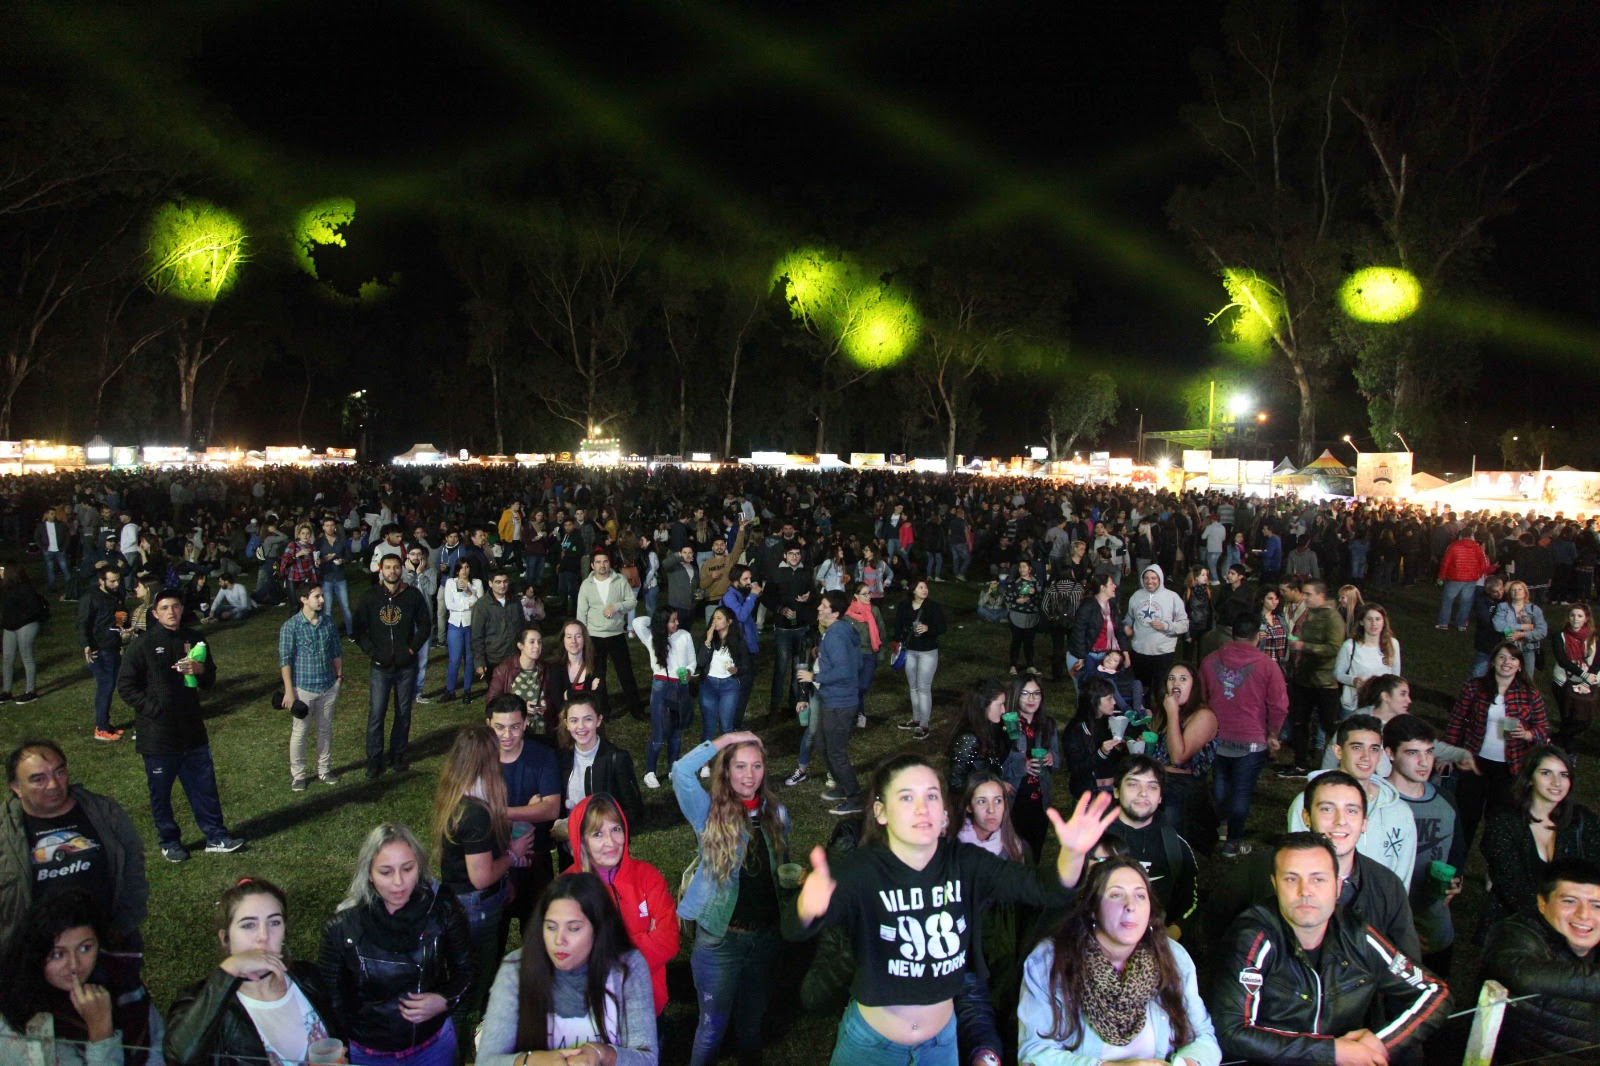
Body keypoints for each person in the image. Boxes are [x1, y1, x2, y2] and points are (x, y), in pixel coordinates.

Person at [783, 756, 1120, 1066]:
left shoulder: (966, 864)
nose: (921, 808)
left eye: (931, 796)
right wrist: (806, 908)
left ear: (945, 812)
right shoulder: (862, 871)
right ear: (880, 812)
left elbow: (1045, 889)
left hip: (940, 1046)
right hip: (871, 1046)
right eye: (906, 797)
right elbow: (793, 930)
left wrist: (1073, 854)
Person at [1208, 832, 1449, 1066]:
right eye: (1291, 879)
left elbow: (1434, 992)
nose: (1305, 891)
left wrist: (1381, 1044)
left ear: (1337, 886)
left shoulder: (1357, 935)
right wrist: (1331, 1052)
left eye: (1318, 879)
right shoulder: (1252, 936)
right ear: (1274, 884)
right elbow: (1232, 1031)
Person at [1016, 857, 1220, 1066]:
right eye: (1116, 895)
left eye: (1140, 895)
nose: (1131, 905)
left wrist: (1181, 1064)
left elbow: (1204, 1038)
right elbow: (1033, 1054)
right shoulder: (1050, 960)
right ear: (1093, 909)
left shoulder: (1173, 956)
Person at [1207, 772, 1421, 960]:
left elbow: (1407, 961)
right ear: (1306, 817)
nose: (1340, 821)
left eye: (1352, 811)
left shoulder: (1385, 884)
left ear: (1364, 823)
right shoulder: (1259, 870)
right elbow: (1213, 931)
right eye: (1327, 809)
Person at [672, 731, 790, 1066]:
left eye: (756, 766)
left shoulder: (777, 814)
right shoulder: (707, 811)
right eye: (739, 766)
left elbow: (781, 866)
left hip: (764, 938)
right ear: (726, 770)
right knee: (712, 1028)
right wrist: (729, 738)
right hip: (721, 940)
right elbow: (680, 771)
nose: (749, 775)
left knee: (752, 1025)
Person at [319, 823, 474, 1066]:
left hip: (433, 1046)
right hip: (368, 1054)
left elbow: (467, 970)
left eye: (407, 869)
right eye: (386, 872)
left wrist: (444, 999)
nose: (399, 882)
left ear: (419, 867)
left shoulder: (444, 910)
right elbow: (332, 1001)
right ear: (369, 873)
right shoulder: (342, 928)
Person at [475, 872, 660, 1066]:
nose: (559, 940)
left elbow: (647, 1059)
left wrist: (602, 1054)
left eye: (573, 928)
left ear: (598, 929)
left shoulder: (627, 966)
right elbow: (486, 1061)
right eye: (551, 927)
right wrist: (531, 1061)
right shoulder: (515, 969)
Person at [117, 587, 244, 862]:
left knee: (205, 786)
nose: (171, 612)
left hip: (192, 730)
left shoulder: (195, 638)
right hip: (159, 737)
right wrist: (154, 709)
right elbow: (126, 686)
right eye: (164, 608)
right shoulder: (143, 645)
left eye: (175, 606)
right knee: (161, 793)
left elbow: (209, 680)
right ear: (154, 613)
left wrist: (200, 671)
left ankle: (216, 836)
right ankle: (169, 841)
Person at [1, 739, 148, 967]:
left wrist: (122, 925)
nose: (53, 785)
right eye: (38, 779)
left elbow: (133, 867)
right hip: (34, 958)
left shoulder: (103, 812)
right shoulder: (5, 834)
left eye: (59, 773)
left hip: (107, 946)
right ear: (16, 787)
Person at [164, 876, 339, 1066]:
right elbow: (180, 1058)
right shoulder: (200, 1000)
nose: (263, 936)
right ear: (225, 939)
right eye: (248, 925)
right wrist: (232, 968)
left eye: (274, 922)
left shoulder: (308, 978)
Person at [432, 725, 523, 1045]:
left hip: (465, 901)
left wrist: (504, 881)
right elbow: (481, 875)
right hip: (476, 908)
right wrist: (513, 854)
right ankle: (454, 1050)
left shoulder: (459, 794)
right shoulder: (474, 813)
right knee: (470, 987)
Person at [0, 890, 163, 1066]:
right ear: (36, 955)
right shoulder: (20, 1016)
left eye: (85, 948)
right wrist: (100, 1031)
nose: (74, 966)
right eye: (57, 954)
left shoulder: (122, 982)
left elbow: (157, 1044)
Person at [561, 794, 678, 1014]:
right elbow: (567, 957)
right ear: (581, 840)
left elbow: (669, 940)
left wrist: (600, 951)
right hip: (593, 1009)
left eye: (616, 829)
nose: (611, 842)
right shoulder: (567, 889)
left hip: (647, 1002)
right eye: (597, 834)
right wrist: (644, 942)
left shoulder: (648, 877)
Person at [1480, 857, 1600, 1063]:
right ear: (1542, 903)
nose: (1584, 915)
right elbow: (1524, 976)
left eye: (1597, 905)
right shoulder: (1516, 932)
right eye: (1570, 901)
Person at [1444, 641, 1552, 852]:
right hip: (1474, 763)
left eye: (1513, 658)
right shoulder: (1474, 687)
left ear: (1520, 665)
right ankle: (1457, 867)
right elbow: (1457, 720)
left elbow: (1544, 729)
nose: (1506, 662)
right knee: (1466, 817)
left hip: (1509, 768)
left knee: (1499, 822)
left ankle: (1494, 870)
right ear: (1493, 661)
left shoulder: (1530, 694)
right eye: (1502, 657)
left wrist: (1529, 734)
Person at [1286, 715, 1417, 887]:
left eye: (1374, 749)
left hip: (1379, 908)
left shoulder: (1400, 812)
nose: (1366, 757)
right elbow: (1299, 860)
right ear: (1338, 751)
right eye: (1357, 747)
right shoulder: (1307, 803)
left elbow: (1402, 876)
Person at [1480, 744, 1600, 933]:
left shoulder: (1583, 822)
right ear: (1529, 779)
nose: (1556, 782)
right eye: (1546, 773)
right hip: (1516, 931)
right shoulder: (1504, 824)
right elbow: (1513, 887)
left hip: (1573, 928)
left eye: (1564, 775)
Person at [1382, 715, 1467, 975]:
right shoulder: (1377, 803)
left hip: (1437, 932)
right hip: (1387, 934)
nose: (1424, 762)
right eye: (1413, 753)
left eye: (1429, 752)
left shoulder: (1445, 800)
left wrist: (1455, 883)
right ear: (1391, 753)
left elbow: (1456, 857)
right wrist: (1397, 934)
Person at [1200, 614, 1289, 857]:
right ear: (1257, 637)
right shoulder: (1267, 666)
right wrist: (1273, 733)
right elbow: (1279, 705)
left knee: (1220, 782)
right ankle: (1233, 842)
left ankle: (1222, 823)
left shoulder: (1210, 661)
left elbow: (1203, 695)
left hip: (1217, 737)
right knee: (1241, 790)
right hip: (1252, 740)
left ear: (1232, 633)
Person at [484, 693, 561, 946]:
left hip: (534, 860)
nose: (507, 735)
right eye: (500, 727)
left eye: (515, 727)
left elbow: (550, 809)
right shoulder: (480, 761)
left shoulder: (543, 756)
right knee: (491, 942)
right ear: (488, 724)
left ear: (526, 723)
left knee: (538, 943)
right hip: (492, 861)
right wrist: (529, 809)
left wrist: (500, 812)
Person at [354, 553, 430, 780]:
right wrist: (373, 651)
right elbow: (358, 630)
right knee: (376, 714)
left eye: (396, 567)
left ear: (401, 569)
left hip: (406, 666)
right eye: (388, 567)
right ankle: (374, 760)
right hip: (380, 667)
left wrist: (411, 649)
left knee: (403, 713)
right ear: (380, 569)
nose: (392, 571)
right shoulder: (370, 597)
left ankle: (398, 755)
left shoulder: (412, 595)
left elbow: (425, 625)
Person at [1110, 757, 1199, 942]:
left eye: (1152, 786)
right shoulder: (1092, 839)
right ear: (1116, 791)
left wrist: (1175, 931)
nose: (1143, 793)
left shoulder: (1175, 846)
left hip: (1154, 943)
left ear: (1160, 797)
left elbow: (1191, 899)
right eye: (1133, 784)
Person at [800, 589, 864, 816]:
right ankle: (842, 786)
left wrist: (815, 677)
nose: (819, 608)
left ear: (835, 613)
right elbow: (854, 662)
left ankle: (855, 797)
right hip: (833, 699)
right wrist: (823, 655)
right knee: (821, 743)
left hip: (840, 702)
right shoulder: (839, 630)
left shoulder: (836, 634)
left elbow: (846, 670)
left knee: (835, 752)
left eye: (824, 606)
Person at [554, 696, 642, 859]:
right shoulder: (562, 758)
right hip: (571, 853)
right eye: (574, 720)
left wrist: (599, 830)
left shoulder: (616, 758)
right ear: (566, 723)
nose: (580, 727)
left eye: (587, 719)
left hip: (606, 854)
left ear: (598, 720)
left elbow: (634, 810)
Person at [278, 582, 343, 791]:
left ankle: (324, 769)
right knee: (300, 732)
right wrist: (289, 691)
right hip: (303, 688)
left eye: (322, 595)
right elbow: (285, 661)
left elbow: (336, 651)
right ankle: (298, 775)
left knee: (325, 730)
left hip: (327, 686)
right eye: (317, 596)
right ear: (304, 599)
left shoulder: (328, 623)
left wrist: (338, 677)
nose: (322, 600)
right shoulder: (291, 627)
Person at [1150, 662, 1217, 845]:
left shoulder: (1204, 716)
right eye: (1171, 679)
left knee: (1169, 834)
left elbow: (1179, 757)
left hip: (1183, 786)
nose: (1175, 683)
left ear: (1194, 685)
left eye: (1183, 679)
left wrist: (1172, 713)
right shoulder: (1172, 712)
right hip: (1159, 779)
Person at [632, 605, 696, 789]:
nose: (677, 623)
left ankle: (673, 767)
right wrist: (657, 623)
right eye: (672, 620)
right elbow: (637, 622)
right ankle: (649, 771)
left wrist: (690, 671)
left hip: (681, 686)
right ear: (663, 623)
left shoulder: (684, 635)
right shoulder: (652, 638)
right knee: (659, 731)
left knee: (676, 731)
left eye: (677, 619)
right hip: (661, 686)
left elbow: (692, 660)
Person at [576, 549, 642, 722]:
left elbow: (632, 601)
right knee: (597, 675)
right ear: (592, 565)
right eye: (598, 562)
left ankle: (636, 709)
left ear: (609, 563)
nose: (602, 565)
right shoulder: (586, 585)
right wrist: (582, 637)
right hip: (594, 636)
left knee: (626, 673)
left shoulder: (619, 580)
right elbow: (581, 613)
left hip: (615, 634)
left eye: (605, 561)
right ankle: (602, 711)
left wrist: (617, 607)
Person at [1001, 673, 1060, 863]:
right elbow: (996, 762)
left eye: (1036, 694)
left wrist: (1052, 758)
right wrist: (1022, 766)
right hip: (1014, 799)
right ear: (1016, 696)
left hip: (1039, 800)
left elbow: (1058, 760)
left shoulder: (1047, 724)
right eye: (1025, 694)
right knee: (1012, 852)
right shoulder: (1006, 725)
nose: (1031, 699)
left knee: (1035, 852)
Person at [79, 565, 129, 741]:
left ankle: (105, 725)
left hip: (113, 647)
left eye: (118, 580)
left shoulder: (117, 595)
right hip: (98, 650)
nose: (116, 584)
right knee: (105, 686)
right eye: (112, 581)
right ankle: (101, 728)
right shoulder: (91, 598)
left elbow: (121, 614)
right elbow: (82, 623)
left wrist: (122, 626)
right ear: (101, 581)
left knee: (109, 686)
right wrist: (86, 644)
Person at [1123, 564, 1189, 698]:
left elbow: (1184, 624)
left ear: (1160, 579)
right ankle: (1144, 714)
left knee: (1161, 689)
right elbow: (1129, 616)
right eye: (1146, 578)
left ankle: (1162, 714)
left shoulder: (1172, 597)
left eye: (1153, 578)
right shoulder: (1136, 596)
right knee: (1141, 688)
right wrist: (1126, 625)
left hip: (1163, 652)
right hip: (1139, 651)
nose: (1149, 581)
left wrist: (1166, 626)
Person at [895, 578, 947, 739]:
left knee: (923, 688)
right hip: (910, 651)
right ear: (913, 590)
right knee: (913, 687)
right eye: (920, 587)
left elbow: (943, 627)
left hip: (927, 652)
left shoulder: (933, 607)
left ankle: (924, 724)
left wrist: (928, 628)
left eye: (926, 587)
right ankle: (916, 719)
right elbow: (897, 627)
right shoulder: (904, 606)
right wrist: (902, 636)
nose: (925, 590)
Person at [696, 605, 750, 754]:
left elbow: (746, 666)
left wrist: (736, 670)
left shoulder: (738, 641)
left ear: (729, 621)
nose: (715, 621)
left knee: (726, 726)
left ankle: (727, 760)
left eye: (719, 618)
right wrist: (707, 641)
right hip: (709, 686)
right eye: (714, 618)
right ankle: (705, 762)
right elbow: (700, 663)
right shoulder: (709, 640)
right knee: (709, 728)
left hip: (729, 686)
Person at [945, 678, 1009, 797]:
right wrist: (995, 786)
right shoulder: (968, 739)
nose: (1003, 710)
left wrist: (1008, 735)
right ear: (984, 705)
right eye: (1000, 705)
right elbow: (956, 784)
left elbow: (997, 760)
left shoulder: (989, 727)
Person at [1334, 603, 1402, 714]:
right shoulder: (1350, 646)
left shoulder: (1392, 644)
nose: (1374, 623)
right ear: (1361, 622)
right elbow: (1338, 673)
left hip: (1381, 706)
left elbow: (1395, 675)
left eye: (1378, 619)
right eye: (1369, 619)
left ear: (1383, 621)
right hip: (1354, 705)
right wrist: (1353, 680)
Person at [1551, 599, 1600, 750]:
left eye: (1579, 616)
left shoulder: (1594, 636)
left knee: (1584, 720)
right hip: (1564, 680)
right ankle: (1566, 747)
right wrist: (1583, 675)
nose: (1575, 619)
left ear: (1586, 618)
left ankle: (1560, 737)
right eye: (1572, 615)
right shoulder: (1559, 636)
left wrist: (1587, 680)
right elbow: (1563, 659)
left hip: (1590, 680)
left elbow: (1598, 659)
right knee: (1567, 715)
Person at [487, 625, 553, 738]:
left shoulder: (546, 669)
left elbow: (554, 699)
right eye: (532, 642)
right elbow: (491, 702)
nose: (537, 646)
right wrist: (521, 707)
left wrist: (546, 704)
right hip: (514, 734)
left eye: (539, 642)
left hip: (541, 732)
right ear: (520, 645)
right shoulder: (503, 670)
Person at [0, 562, 48, 703]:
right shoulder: (4, 587)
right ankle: (6, 691)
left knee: (26, 656)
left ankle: (30, 691)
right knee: (7, 659)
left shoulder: (25, 588)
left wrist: (18, 619)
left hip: (25, 625)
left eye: (1, 569)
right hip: (10, 627)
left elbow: (33, 609)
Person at [844, 580, 886, 729]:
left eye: (870, 593)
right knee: (854, 685)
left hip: (869, 653)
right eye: (865, 594)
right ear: (856, 595)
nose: (869, 596)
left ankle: (853, 710)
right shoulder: (848, 613)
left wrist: (880, 654)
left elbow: (881, 632)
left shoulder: (874, 610)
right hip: (853, 655)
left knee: (862, 686)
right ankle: (859, 713)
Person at [441, 559, 483, 702]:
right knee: (455, 659)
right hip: (455, 624)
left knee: (469, 659)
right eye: (461, 568)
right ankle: (450, 690)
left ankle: (467, 690)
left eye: (467, 567)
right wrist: (467, 605)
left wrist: (469, 591)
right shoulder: (451, 582)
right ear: (457, 570)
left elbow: (480, 604)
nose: (464, 570)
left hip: (471, 625)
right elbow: (449, 604)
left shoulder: (477, 583)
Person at [1436, 525, 1492, 630]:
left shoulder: (1453, 546)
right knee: (1466, 602)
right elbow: (1484, 564)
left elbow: (1445, 563)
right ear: (1472, 535)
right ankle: (1461, 624)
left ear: (1461, 535)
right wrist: (1478, 574)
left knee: (1448, 600)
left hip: (1454, 577)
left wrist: (1441, 576)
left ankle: (1444, 623)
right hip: (1471, 578)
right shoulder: (1477, 547)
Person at [1494, 579, 1549, 681]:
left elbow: (1542, 631)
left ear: (1525, 592)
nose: (1517, 592)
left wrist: (1522, 635)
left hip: (1528, 649)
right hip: (1509, 648)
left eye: (1520, 589)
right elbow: (1499, 625)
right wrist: (1522, 627)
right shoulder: (1503, 607)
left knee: (1527, 678)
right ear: (1509, 593)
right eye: (1513, 590)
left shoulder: (1534, 609)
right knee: (1507, 677)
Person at [1005, 557, 1043, 674]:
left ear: (1029, 569)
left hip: (1031, 616)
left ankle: (1030, 665)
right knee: (1016, 641)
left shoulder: (1036, 583)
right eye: (1020, 567)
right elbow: (1007, 597)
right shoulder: (1014, 582)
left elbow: (1041, 598)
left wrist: (1035, 593)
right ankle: (1013, 665)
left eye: (1024, 567)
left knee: (1029, 642)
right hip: (1017, 615)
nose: (1022, 569)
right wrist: (1017, 600)